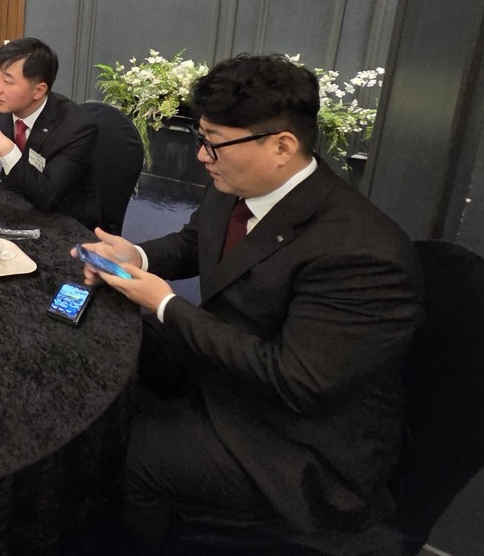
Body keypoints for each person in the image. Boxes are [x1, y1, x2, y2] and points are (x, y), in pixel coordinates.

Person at [74, 54, 422, 553]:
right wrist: (137, 256)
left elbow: (296, 381)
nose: (201, 156)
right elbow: (195, 243)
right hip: (228, 372)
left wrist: (167, 304)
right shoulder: (237, 183)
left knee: (131, 452)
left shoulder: (362, 253)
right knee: (111, 341)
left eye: (213, 143)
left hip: (295, 441)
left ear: (282, 146)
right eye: (201, 138)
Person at [0, 37, 100, 228]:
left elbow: (48, 196)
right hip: (14, 212)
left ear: (38, 90)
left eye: (8, 81)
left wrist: (7, 149)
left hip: (65, 223)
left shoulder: (77, 128)